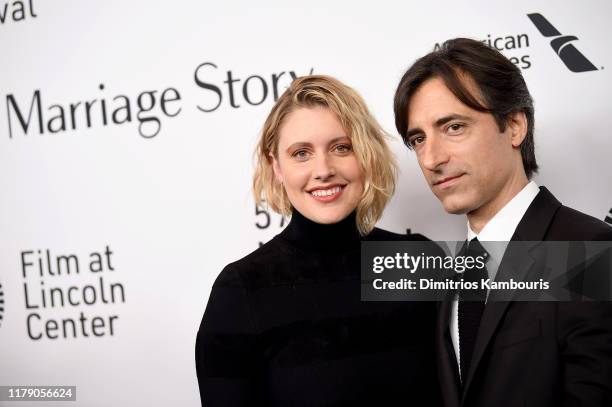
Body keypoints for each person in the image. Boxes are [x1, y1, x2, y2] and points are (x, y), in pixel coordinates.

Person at [196, 75, 440, 406]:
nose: (323, 169)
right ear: (276, 166)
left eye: (341, 148)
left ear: (365, 155)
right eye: (301, 153)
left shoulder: (418, 261)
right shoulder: (240, 290)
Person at [393, 38, 612, 407]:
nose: (431, 158)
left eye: (454, 127)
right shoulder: (449, 274)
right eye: (418, 139)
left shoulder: (593, 253)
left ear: (513, 126)